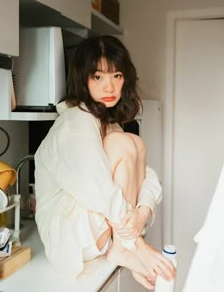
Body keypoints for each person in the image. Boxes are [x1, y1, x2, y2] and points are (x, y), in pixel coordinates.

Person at [34, 35, 175, 290]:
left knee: (135, 143)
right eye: (98, 77)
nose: (109, 87)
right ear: (82, 79)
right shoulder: (75, 123)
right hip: (68, 237)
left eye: (117, 76)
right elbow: (98, 190)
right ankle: (122, 248)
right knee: (124, 144)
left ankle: (121, 247)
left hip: (97, 231)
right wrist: (138, 247)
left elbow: (147, 174)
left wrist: (144, 211)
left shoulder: (106, 122)